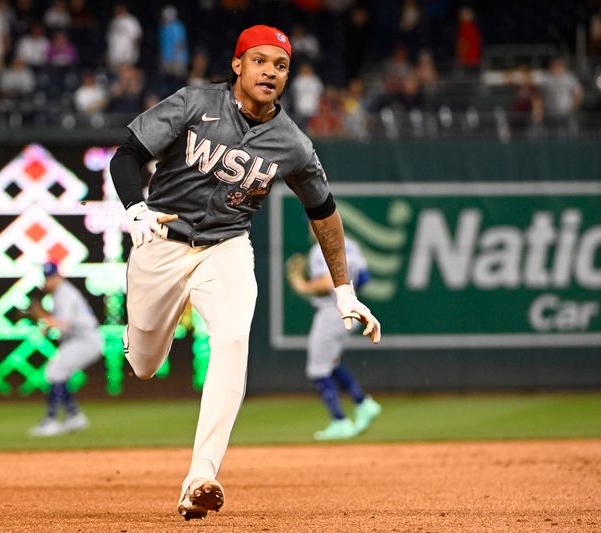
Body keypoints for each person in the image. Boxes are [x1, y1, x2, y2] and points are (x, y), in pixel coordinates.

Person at [108, 24, 381, 521]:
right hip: (161, 241)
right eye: (260, 61)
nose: (270, 72)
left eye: (280, 66)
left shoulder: (292, 144)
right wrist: (135, 208)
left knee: (232, 341)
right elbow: (128, 154)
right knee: (145, 365)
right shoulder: (194, 103)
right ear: (238, 65)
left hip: (227, 246)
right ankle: (136, 340)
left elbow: (324, 211)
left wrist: (343, 289)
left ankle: (201, 476)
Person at [285, 237, 382, 441]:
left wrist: (301, 285)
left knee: (317, 370)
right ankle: (362, 402)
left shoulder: (320, 248)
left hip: (332, 312)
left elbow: (328, 282)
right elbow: (364, 278)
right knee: (329, 363)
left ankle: (340, 421)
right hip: (351, 307)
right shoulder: (352, 244)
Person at [26, 262, 103, 437]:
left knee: (55, 371)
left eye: (51, 277)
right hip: (80, 339)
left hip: (85, 340)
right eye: (46, 277)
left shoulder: (64, 293)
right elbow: (58, 324)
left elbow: (63, 324)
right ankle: (73, 415)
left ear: (59, 276)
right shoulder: (60, 293)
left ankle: (52, 420)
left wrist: (42, 316)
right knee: (57, 372)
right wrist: (45, 323)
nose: (49, 281)